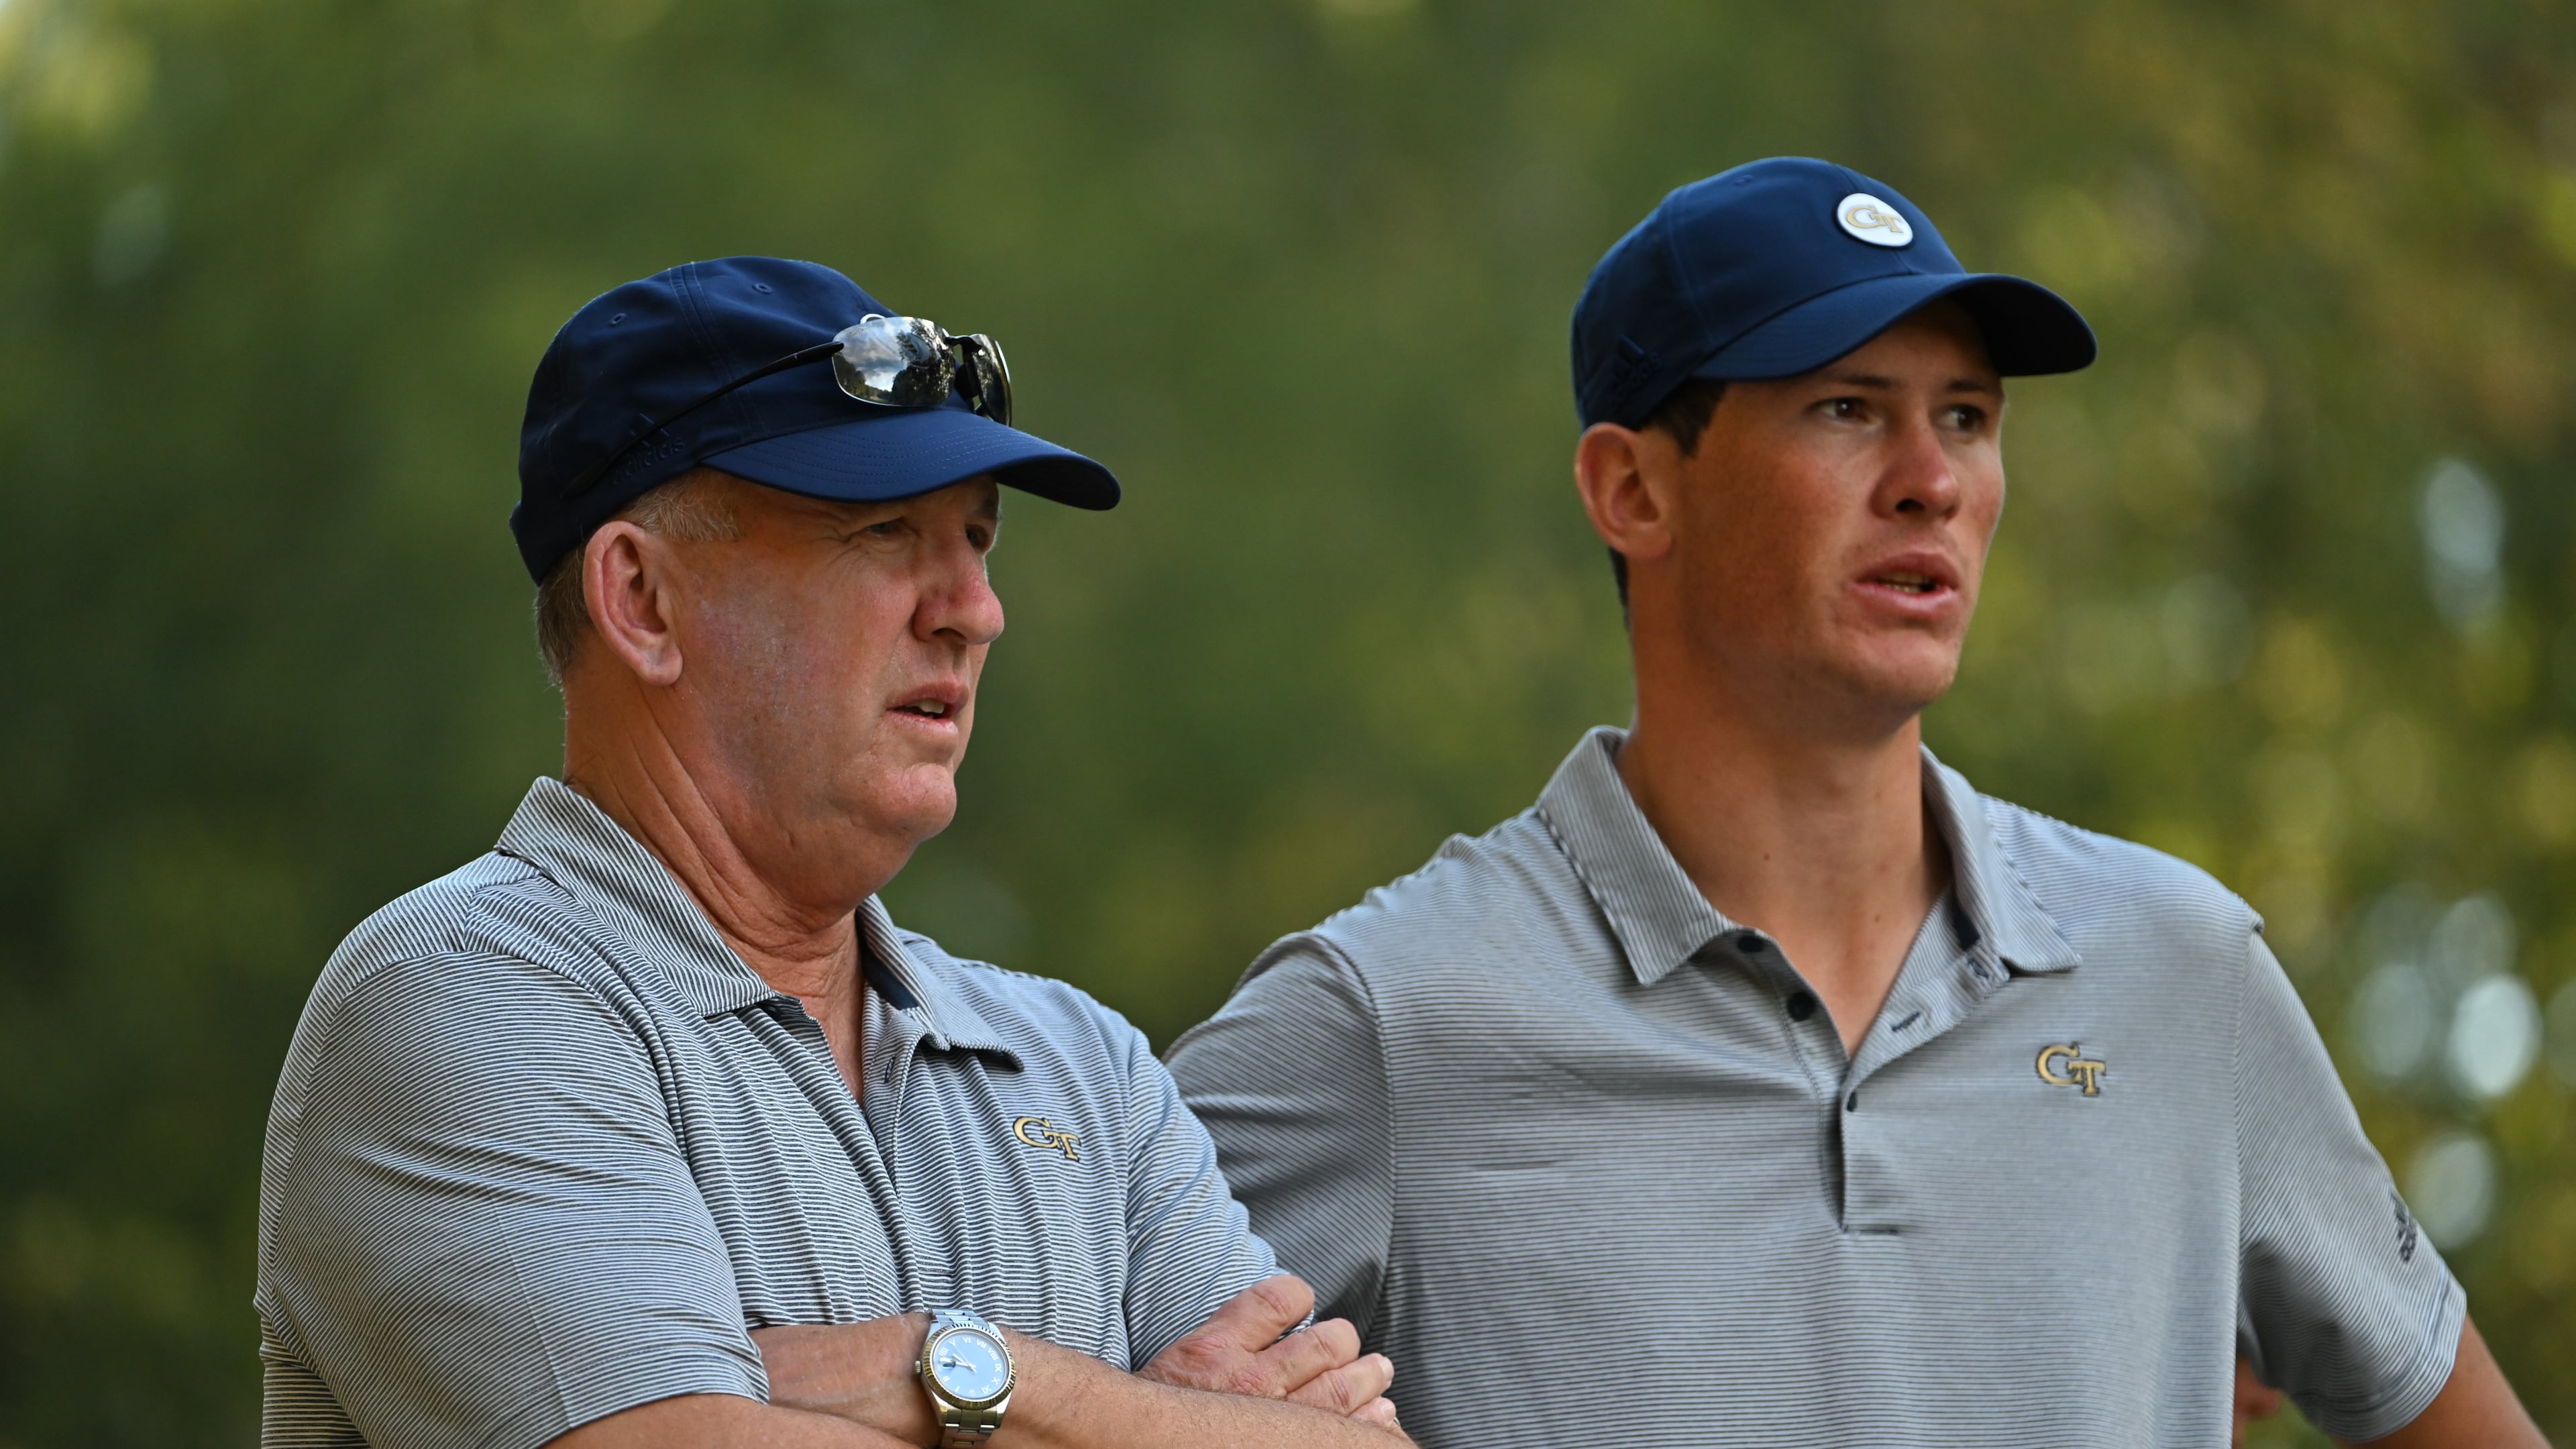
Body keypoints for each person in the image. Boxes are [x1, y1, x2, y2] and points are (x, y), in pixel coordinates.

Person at [1166, 159, 2545, 1447]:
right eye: (1846, 408)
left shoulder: (2184, 977)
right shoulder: (1388, 1023)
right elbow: (1021, 1382)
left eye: (1967, 417)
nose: (1933, 481)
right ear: (1632, 489)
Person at [255, 257, 1406, 1449]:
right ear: (641, 600)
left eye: (977, 538)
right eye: (883, 532)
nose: (973, 608)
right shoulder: (463, 994)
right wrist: (1155, 1420)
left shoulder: (1085, 1071)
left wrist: (963, 1374)